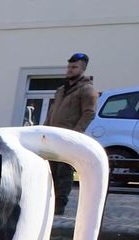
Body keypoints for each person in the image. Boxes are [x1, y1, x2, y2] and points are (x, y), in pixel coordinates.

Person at [44, 52, 96, 216]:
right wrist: (45, 130)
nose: (70, 70)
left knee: (64, 173)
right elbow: (52, 111)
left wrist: (76, 135)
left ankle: (59, 206)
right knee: (50, 172)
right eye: (69, 67)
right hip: (52, 136)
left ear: (83, 69)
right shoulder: (61, 90)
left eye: (74, 67)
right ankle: (48, 204)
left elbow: (89, 113)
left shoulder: (87, 90)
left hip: (68, 139)